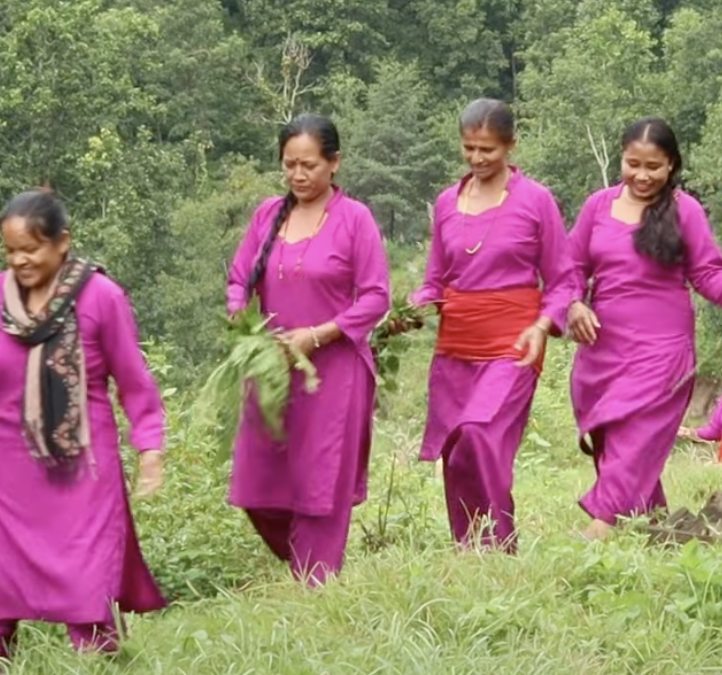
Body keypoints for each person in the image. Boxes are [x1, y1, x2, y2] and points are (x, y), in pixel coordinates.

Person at [0, 189, 166, 671]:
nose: (20, 260)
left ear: (62, 242)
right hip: (8, 474)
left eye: (31, 249)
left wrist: (150, 450)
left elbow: (134, 382)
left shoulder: (101, 299)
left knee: (85, 582)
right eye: (10, 251)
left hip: (81, 474)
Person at [567, 118, 722, 539]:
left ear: (672, 166)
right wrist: (572, 304)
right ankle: (659, 529)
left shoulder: (685, 210)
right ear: (621, 159)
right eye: (632, 164)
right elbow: (569, 268)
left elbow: (710, 274)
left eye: (654, 167)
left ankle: (597, 531)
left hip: (663, 351)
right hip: (602, 350)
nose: (642, 176)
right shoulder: (597, 207)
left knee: (636, 440)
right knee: (612, 440)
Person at [226, 113, 390, 585]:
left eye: (310, 165)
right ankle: (304, 566)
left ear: (334, 163)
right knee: (257, 485)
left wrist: (318, 335)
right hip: (274, 369)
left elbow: (376, 296)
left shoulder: (354, 219)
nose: (299, 176)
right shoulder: (267, 216)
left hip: (334, 371)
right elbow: (240, 279)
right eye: (290, 165)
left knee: (321, 483)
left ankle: (317, 591)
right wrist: (242, 316)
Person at [408, 98, 575, 549]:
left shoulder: (535, 200)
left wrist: (542, 327)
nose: (478, 159)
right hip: (455, 349)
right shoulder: (447, 202)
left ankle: (500, 545)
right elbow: (435, 280)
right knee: (456, 452)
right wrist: (415, 307)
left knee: (481, 436)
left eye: (488, 150)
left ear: (510, 146)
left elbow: (563, 280)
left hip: (514, 344)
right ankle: (469, 549)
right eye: (469, 149)